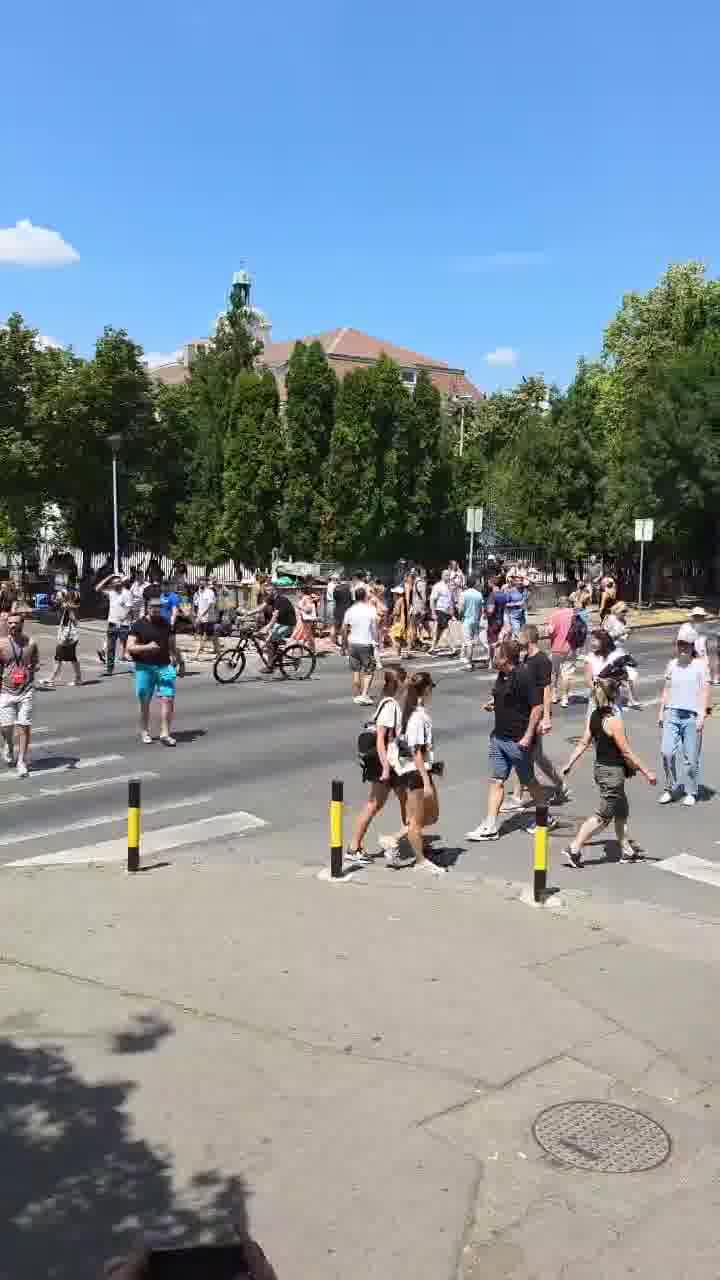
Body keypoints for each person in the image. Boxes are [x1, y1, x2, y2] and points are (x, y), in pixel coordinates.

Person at [560, 677, 657, 867]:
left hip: (601, 769)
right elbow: (626, 750)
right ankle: (574, 848)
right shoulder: (613, 721)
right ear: (615, 694)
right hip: (612, 773)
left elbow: (582, 743)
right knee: (604, 815)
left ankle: (627, 851)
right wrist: (647, 772)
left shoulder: (594, 716)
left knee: (621, 810)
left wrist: (569, 763)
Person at [466, 640, 551, 842]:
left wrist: (528, 736)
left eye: (496, 655)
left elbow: (537, 706)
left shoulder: (524, 675)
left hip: (517, 740)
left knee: (529, 782)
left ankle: (542, 817)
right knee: (497, 780)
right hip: (499, 737)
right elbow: (507, 697)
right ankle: (490, 825)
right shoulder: (502, 674)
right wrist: (494, 704)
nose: (493, 658)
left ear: (504, 658)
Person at [345, 668, 411, 869]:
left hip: (391, 762)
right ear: (397, 683)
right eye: (405, 680)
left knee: (404, 799)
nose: (407, 684)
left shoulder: (389, 702)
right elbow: (381, 740)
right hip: (386, 762)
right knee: (374, 804)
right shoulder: (390, 706)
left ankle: (413, 838)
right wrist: (384, 768)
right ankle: (353, 847)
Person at [386, 670, 445, 875]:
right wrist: (426, 781)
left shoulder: (410, 711)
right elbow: (417, 751)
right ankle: (420, 860)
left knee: (430, 815)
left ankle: (394, 840)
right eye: (431, 688)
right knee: (417, 821)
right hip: (416, 772)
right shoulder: (418, 717)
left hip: (414, 771)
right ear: (426, 689)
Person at [510, 624, 570, 822]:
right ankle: (521, 794)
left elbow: (546, 689)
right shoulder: (526, 657)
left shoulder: (542, 660)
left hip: (537, 713)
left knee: (530, 754)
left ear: (529, 638)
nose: (518, 638)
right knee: (530, 753)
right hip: (526, 712)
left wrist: (546, 717)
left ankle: (556, 785)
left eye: (520, 635)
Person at [658, 635, 709, 806]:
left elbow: (704, 691)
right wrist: (661, 711)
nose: (682, 648)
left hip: (691, 716)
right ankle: (671, 788)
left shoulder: (700, 666)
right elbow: (666, 689)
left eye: (686, 645)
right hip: (672, 714)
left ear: (692, 646)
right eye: (680, 645)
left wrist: (701, 715)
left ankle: (691, 791)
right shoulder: (672, 665)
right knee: (667, 753)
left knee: (691, 757)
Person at [127, 593, 180, 746]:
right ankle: (144, 730)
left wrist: (180, 661)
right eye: (153, 608)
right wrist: (147, 647)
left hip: (165, 666)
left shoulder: (166, 624)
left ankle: (165, 733)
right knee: (145, 701)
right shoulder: (138, 625)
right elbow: (130, 647)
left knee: (168, 699)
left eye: (159, 608)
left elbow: (172, 646)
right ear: (147, 608)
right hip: (144, 667)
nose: (156, 611)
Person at [0, 607, 39, 777]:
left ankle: (21, 760)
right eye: (10, 623)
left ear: (23, 624)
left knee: (24, 726)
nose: (12, 626)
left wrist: (31, 668)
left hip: (26, 690)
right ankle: (8, 745)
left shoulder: (31, 643)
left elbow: (36, 662)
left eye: (16, 623)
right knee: (6, 727)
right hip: (6, 690)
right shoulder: (1, 644)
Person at [341, 586, 378, 705]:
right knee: (369, 670)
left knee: (355, 670)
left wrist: (343, 645)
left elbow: (344, 628)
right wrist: (376, 641)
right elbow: (374, 628)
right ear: (365, 597)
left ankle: (358, 695)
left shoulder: (350, 610)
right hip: (366, 643)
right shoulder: (370, 610)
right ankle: (364, 694)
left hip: (353, 643)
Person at [603, 602, 641, 708]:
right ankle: (630, 699)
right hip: (611, 652)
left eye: (626, 611)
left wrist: (628, 633)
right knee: (625, 675)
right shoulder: (610, 619)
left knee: (628, 675)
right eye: (623, 611)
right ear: (616, 610)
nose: (625, 613)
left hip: (620, 650)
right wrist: (622, 632)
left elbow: (623, 638)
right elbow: (606, 636)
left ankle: (629, 699)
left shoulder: (623, 621)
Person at [44, 589, 82, 686]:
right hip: (69, 636)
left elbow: (75, 621)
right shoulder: (66, 606)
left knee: (58, 658)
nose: (57, 597)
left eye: (58, 596)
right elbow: (52, 607)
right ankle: (78, 679)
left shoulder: (69, 607)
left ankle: (51, 679)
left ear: (66, 597)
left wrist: (69, 610)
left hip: (68, 636)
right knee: (72, 658)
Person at [96, 574, 132, 674]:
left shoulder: (127, 593)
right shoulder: (111, 593)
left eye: (118, 582)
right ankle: (109, 670)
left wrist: (121, 621)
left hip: (123, 625)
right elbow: (98, 588)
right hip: (112, 623)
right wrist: (109, 576)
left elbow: (129, 609)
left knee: (128, 646)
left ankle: (139, 665)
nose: (117, 584)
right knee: (111, 648)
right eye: (114, 583)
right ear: (112, 584)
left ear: (121, 583)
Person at [548, 596, 576, 708]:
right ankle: (565, 698)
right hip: (571, 648)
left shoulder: (554, 615)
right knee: (567, 674)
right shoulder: (574, 614)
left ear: (559, 604)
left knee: (554, 672)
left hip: (556, 647)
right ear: (569, 603)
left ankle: (554, 695)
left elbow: (550, 631)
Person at [259, 585, 297, 668]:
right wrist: (247, 613)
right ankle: (277, 651)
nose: (267, 592)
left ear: (274, 590)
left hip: (287, 624)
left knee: (271, 643)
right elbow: (260, 608)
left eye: (269, 590)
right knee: (265, 638)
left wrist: (267, 627)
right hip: (279, 623)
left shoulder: (280, 599)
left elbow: (275, 616)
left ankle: (270, 666)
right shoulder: (271, 598)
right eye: (266, 591)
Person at [460, 576, 486, 669]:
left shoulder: (464, 594)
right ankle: (468, 659)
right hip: (476, 620)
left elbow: (461, 608)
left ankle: (469, 663)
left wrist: (460, 616)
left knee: (468, 642)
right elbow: (481, 609)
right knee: (472, 641)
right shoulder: (479, 594)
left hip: (467, 619)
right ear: (474, 583)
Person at [193, 579, 220, 661]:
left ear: (206, 583)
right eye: (200, 581)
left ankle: (218, 654)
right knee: (200, 636)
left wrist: (201, 615)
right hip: (201, 618)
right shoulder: (198, 593)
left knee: (211, 637)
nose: (201, 583)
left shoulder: (209, 592)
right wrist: (196, 615)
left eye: (203, 581)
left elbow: (210, 605)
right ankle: (196, 655)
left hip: (208, 619)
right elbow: (196, 604)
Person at [429, 570, 455, 653]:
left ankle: (433, 647)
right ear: (442, 576)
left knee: (438, 630)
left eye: (449, 575)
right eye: (446, 575)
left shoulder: (449, 586)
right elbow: (432, 599)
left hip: (446, 612)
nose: (448, 577)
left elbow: (450, 599)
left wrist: (452, 610)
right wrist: (433, 612)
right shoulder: (438, 586)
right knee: (446, 629)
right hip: (440, 610)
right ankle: (452, 647)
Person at [291, 582, 318, 652]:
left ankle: (309, 651)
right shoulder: (303, 598)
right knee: (305, 636)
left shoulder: (306, 598)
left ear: (301, 591)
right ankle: (309, 651)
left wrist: (300, 607)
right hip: (302, 621)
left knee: (304, 636)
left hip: (305, 621)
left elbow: (309, 609)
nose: (296, 593)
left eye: (297, 591)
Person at [389, 584, 409, 659]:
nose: (393, 594)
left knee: (396, 638)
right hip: (403, 622)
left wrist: (391, 615)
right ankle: (405, 652)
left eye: (394, 593)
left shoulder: (398, 601)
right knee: (401, 638)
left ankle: (399, 654)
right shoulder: (403, 599)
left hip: (398, 622)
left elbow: (396, 612)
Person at [332, 576, 353, 645]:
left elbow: (334, 598)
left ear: (340, 580)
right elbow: (351, 599)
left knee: (335, 626)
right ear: (346, 580)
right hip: (347, 609)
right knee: (345, 626)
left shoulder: (336, 588)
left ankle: (334, 641)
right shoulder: (349, 588)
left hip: (337, 608)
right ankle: (344, 642)